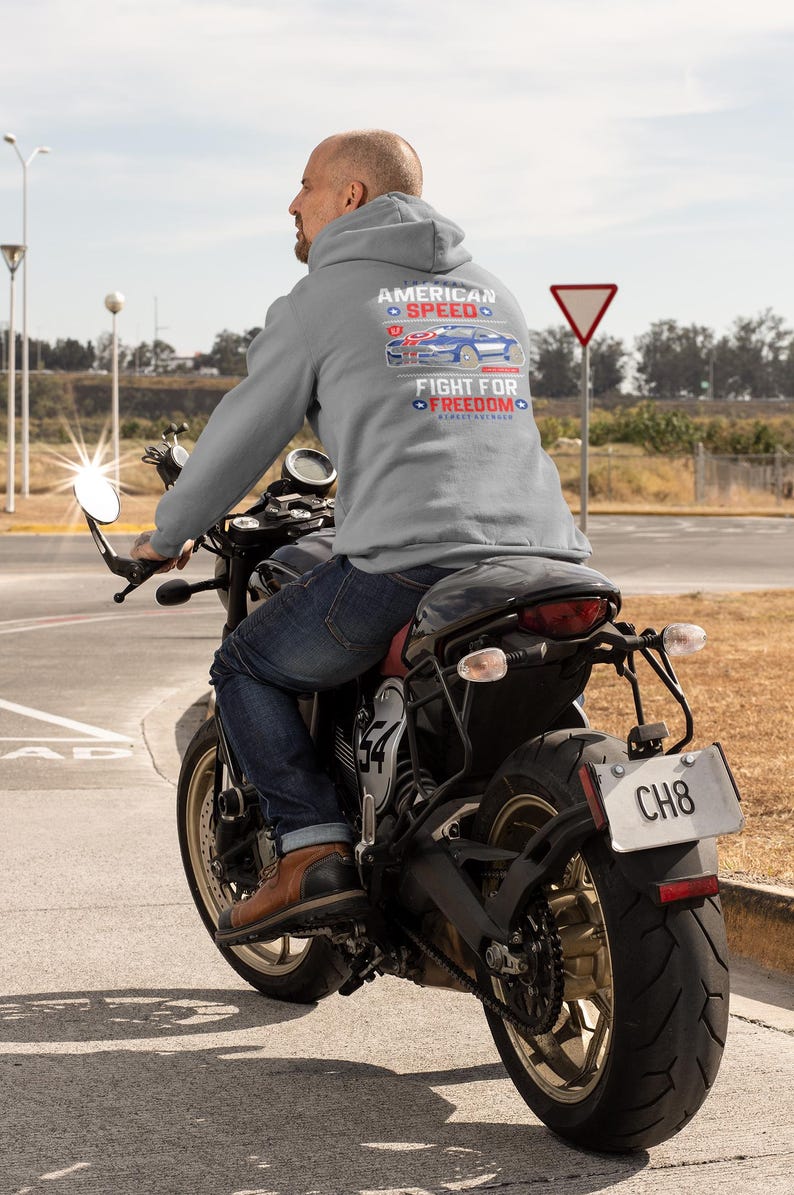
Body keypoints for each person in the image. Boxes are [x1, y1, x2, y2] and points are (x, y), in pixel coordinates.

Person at [132, 129, 590, 946]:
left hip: (413, 562)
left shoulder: (322, 299)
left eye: (306, 184)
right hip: (546, 558)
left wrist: (168, 532)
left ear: (351, 195)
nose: (292, 203)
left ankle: (312, 850)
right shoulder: (492, 292)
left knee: (245, 663)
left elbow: (241, 436)